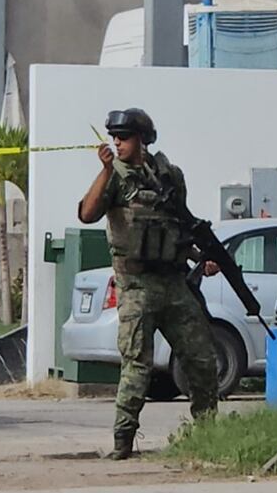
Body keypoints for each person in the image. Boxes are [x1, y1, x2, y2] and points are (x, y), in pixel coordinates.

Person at [78, 108, 219, 460]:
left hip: (173, 281)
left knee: (201, 360)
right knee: (137, 365)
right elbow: (87, 213)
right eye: (114, 137)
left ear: (142, 139)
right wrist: (106, 169)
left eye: (124, 137)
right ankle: (123, 441)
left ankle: (209, 433)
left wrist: (203, 256)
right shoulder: (115, 176)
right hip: (136, 283)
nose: (117, 143)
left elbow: (181, 225)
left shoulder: (170, 176)